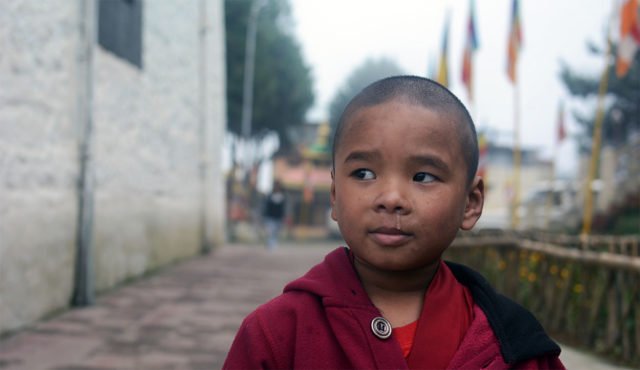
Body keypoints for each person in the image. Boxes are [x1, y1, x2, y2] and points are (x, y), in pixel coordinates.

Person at [223, 76, 564, 369]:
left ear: (471, 203)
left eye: (423, 176)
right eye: (364, 173)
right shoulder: (276, 333)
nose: (391, 197)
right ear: (334, 196)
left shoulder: (515, 343)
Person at [263, 180, 286, 250]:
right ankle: (270, 244)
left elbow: (284, 208)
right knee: (270, 231)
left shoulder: (282, 196)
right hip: (270, 218)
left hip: (278, 218)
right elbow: (266, 207)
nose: (277, 187)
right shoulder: (270, 196)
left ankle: (273, 243)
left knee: (276, 232)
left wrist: (284, 216)